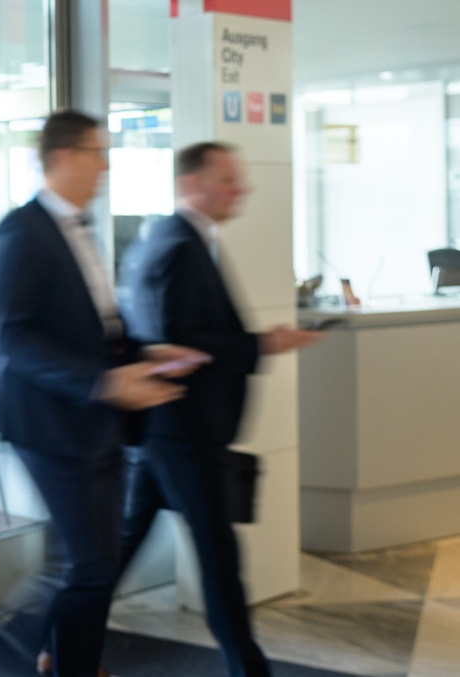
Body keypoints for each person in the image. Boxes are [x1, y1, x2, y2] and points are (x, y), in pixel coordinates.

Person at [0, 110, 203, 677]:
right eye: (97, 152)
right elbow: (16, 338)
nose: (106, 165)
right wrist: (103, 381)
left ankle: (67, 659)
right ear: (63, 157)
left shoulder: (81, 229)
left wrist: (142, 354)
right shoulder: (20, 233)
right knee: (88, 566)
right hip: (50, 423)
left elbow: (99, 325)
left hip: (97, 420)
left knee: (96, 564)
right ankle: (4, 662)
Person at [115, 142, 323, 677]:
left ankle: (56, 635)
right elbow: (177, 338)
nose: (241, 189)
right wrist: (262, 344)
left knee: (122, 545)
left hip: (174, 428)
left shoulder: (183, 238)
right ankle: (247, 668)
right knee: (219, 558)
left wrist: (256, 342)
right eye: (228, 180)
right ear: (193, 184)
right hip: (184, 429)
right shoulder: (177, 243)